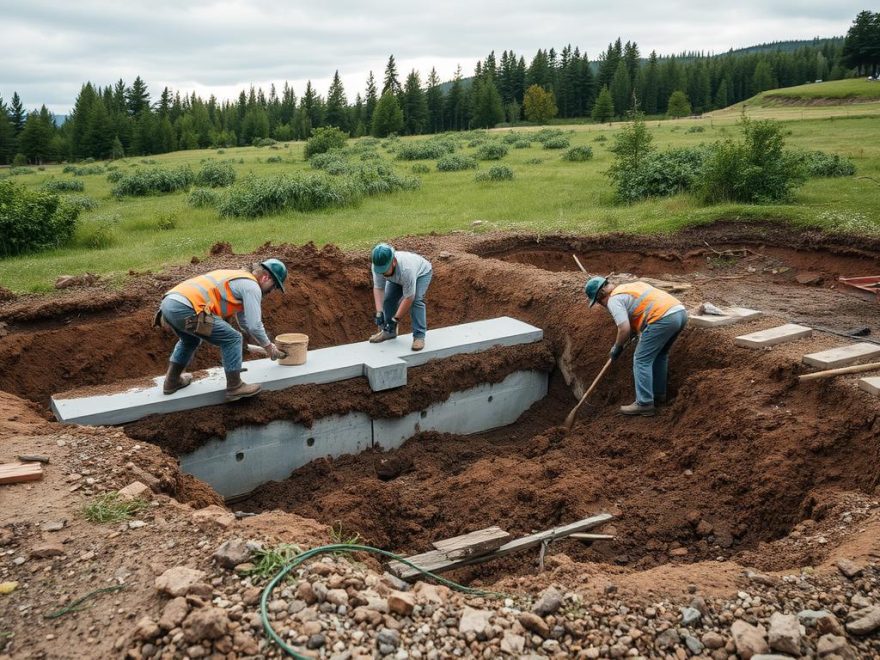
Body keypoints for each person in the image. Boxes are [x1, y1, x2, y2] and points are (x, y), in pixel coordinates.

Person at [157, 259, 288, 401]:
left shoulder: (240, 278)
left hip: (170, 304)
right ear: (266, 277)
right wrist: (269, 347)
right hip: (187, 308)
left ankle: (172, 381)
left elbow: (246, 322)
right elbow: (254, 325)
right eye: (274, 286)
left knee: (190, 340)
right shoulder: (252, 287)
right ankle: (235, 387)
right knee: (233, 338)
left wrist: (246, 351)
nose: (271, 291)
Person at [584, 276, 688, 416]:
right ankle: (658, 395)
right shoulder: (629, 287)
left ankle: (644, 403)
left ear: (600, 295)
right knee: (660, 355)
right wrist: (635, 331)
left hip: (661, 318)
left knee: (641, 360)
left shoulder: (613, 300)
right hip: (679, 312)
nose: (601, 305)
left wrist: (617, 347)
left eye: (598, 301)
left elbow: (624, 328)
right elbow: (640, 309)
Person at [368, 243, 433, 351]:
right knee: (388, 299)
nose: (382, 274)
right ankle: (389, 332)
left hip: (421, 273)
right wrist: (379, 312)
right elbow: (379, 288)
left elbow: (409, 298)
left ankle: (419, 336)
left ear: (393, 261)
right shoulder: (377, 266)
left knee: (417, 300)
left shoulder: (406, 270)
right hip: (396, 278)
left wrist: (395, 319)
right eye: (380, 271)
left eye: (385, 270)